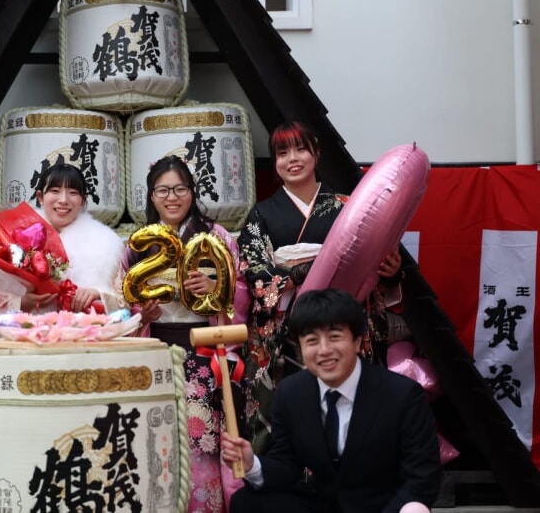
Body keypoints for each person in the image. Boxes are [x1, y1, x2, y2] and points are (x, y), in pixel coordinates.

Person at [237, 121, 403, 453]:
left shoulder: (348, 206)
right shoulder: (262, 214)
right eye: (282, 153)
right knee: (291, 417)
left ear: (316, 153)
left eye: (301, 149)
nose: (292, 159)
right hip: (288, 329)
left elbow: (371, 260)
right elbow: (255, 271)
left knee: (349, 415)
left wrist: (391, 272)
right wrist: (308, 270)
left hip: (343, 318)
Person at [221, 288, 441, 513]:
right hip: (321, 503)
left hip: (380, 505)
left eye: (335, 337)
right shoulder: (291, 393)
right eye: (312, 340)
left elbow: (420, 478)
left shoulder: (402, 395)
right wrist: (251, 464)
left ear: (357, 341)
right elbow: (286, 465)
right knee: (246, 502)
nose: (324, 350)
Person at [122, 155, 250, 512]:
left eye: (180, 189)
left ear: (192, 192)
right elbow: (124, 299)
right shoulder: (138, 244)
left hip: (204, 351)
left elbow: (242, 290)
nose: (172, 197)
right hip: (155, 350)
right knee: (155, 438)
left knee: (200, 438)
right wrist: (142, 315)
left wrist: (215, 287)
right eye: (162, 190)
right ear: (151, 196)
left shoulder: (216, 237)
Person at [0, 163, 125, 315]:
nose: (63, 200)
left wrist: (98, 294)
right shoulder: (13, 237)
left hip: (82, 328)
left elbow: (126, 300)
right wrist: (22, 303)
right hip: (29, 328)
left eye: (73, 193)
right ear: (40, 197)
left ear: (83, 201)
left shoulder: (106, 243)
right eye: (55, 191)